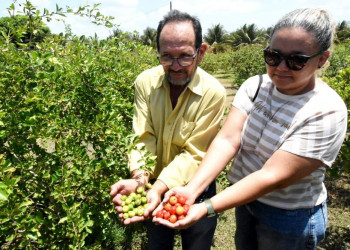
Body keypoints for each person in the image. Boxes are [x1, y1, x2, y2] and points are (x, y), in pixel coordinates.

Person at [154, 8, 348, 250]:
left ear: (321, 59)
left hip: (289, 217)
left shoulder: (326, 111)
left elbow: (272, 177)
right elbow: (227, 139)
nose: (282, 67)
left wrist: (206, 207)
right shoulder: (255, 86)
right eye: (273, 56)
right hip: (245, 202)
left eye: (297, 60)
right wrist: (191, 191)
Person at [110, 9, 226, 250]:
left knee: (197, 243)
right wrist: (141, 181)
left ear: (201, 52)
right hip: (153, 186)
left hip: (196, 186)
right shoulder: (146, 82)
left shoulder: (213, 93)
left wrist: (160, 187)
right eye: (166, 57)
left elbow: (196, 152)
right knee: (158, 243)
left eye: (185, 56)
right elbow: (143, 136)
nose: (175, 66)